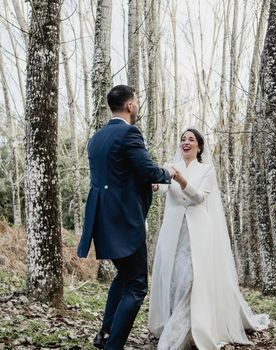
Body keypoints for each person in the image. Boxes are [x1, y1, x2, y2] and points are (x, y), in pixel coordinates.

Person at [149, 128, 269, 350]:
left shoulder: (207, 170)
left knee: (193, 278)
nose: (186, 142)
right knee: (175, 276)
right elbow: (163, 188)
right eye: (183, 139)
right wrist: (155, 184)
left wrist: (183, 180)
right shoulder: (169, 165)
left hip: (198, 231)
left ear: (199, 146)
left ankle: (189, 329)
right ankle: (173, 322)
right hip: (173, 230)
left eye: (191, 139)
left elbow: (200, 197)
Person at [77, 85, 173, 350]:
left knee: (124, 277)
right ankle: (113, 345)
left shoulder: (96, 138)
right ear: (130, 106)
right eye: (137, 102)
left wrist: (144, 183)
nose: (138, 106)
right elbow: (149, 170)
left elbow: (117, 175)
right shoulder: (130, 133)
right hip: (124, 222)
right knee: (137, 286)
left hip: (102, 220)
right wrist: (168, 174)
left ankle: (105, 333)